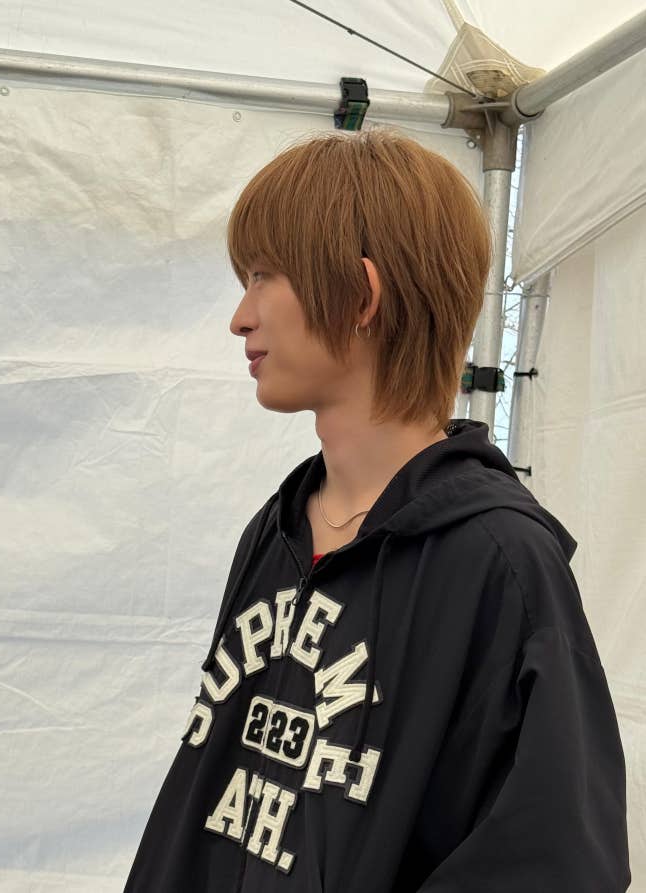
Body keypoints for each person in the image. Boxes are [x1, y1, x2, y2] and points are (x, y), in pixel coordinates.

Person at [124, 127, 631, 892]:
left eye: (263, 276)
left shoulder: (499, 564)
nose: (240, 317)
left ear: (361, 295)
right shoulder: (279, 529)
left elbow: (556, 862)